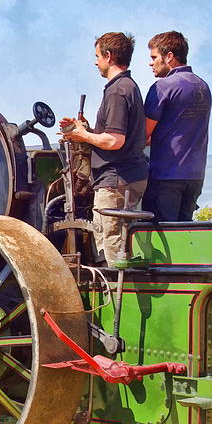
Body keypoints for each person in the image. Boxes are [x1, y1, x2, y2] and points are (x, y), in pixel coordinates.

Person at [60, 32, 148, 264]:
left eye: (97, 56)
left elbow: (114, 141)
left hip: (115, 179)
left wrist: (82, 135)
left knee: (111, 243)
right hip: (130, 175)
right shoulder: (129, 87)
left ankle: (118, 296)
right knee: (124, 243)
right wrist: (84, 129)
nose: (95, 61)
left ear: (108, 56)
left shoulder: (117, 91)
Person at [142, 31, 212, 222]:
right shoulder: (203, 86)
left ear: (169, 56)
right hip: (195, 176)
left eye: (154, 57)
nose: (151, 63)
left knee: (161, 237)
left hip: (165, 175)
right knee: (184, 234)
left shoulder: (162, 87)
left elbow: (144, 134)